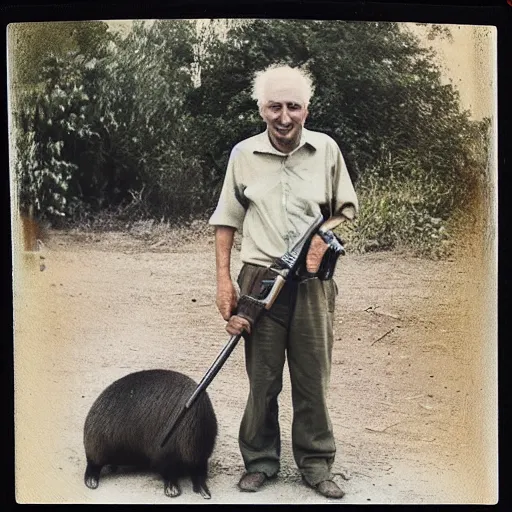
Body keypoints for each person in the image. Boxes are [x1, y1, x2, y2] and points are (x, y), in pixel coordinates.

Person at [208, 64, 358, 499]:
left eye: (294, 106)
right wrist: (224, 281)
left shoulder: (326, 151)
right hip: (258, 278)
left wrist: (322, 238)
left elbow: (344, 209)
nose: (284, 116)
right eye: (275, 106)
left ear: (307, 109)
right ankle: (259, 460)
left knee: (313, 376)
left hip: (312, 280)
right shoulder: (243, 155)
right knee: (263, 378)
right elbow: (225, 222)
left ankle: (315, 464)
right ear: (261, 109)